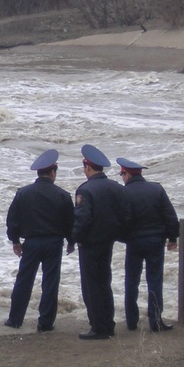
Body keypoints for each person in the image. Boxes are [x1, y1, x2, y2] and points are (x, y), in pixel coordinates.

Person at [4, 149, 75, 332]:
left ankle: (15, 320)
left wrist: (15, 241)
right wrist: (71, 241)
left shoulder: (23, 193)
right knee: (50, 283)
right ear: (53, 173)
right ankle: (45, 323)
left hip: (31, 243)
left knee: (24, 281)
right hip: (54, 243)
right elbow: (70, 222)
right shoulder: (62, 195)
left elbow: (12, 220)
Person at [72, 144, 131, 340]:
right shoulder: (116, 187)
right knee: (105, 283)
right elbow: (125, 216)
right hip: (108, 243)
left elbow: (83, 219)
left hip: (89, 244)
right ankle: (109, 323)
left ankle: (98, 327)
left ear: (88, 167)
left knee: (91, 286)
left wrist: (75, 239)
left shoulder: (85, 190)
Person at [116, 157, 180, 333]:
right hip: (155, 241)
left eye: (122, 174)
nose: (122, 177)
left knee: (131, 281)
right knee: (155, 281)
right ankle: (156, 320)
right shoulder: (156, 189)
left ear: (127, 174)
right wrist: (172, 238)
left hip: (134, 242)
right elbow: (170, 215)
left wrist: (124, 238)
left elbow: (120, 221)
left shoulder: (123, 193)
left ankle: (131, 321)